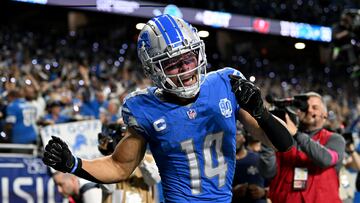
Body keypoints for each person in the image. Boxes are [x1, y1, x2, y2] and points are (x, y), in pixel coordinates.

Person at [42, 14, 295, 203]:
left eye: (188, 58)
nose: (185, 69)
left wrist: (261, 111)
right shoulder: (144, 107)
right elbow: (120, 166)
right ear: (154, 69)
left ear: (200, 54)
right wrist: (74, 164)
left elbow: (283, 143)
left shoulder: (226, 83)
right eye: (172, 64)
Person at [259, 92, 346, 203]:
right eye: (305, 107)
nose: (309, 110)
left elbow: (326, 160)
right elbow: (267, 173)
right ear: (298, 112)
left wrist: (296, 133)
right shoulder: (283, 139)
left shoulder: (335, 139)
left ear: (325, 114)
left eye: (315, 107)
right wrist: (269, 136)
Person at [232, 128, 267, 203]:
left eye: (237, 134)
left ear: (244, 138)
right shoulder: (223, 163)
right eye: (231, 135)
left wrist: (263, 192)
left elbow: (274, 185)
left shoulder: (257, 158)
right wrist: (233, 193)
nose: (234, 138)